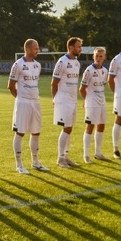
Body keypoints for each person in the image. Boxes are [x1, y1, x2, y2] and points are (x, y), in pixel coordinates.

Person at [8, 39, 45, 173]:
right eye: (36, 48)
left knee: (36, 132)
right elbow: (11, 86)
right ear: (28, 49)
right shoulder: (18, 65)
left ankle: (35, 162)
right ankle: (19, 165)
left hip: (36, 102)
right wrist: (20, 98)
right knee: (20, 132)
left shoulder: (37, 65)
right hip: (23, 102)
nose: (37, 50)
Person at [52, 37, 83, 167]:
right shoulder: (62, 62)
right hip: (63, 100)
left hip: (73, 100)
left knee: (69, 129)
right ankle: (60, 159)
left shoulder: (76, 62)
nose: (80, 49)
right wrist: (55, 99)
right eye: (78, 47)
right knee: (66, 128)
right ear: (70, 47)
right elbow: (54, 83)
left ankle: (66, 156)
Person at [80, 47, 109, 163]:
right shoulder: (89, 70)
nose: (98, 58)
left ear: (104, 57)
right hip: (92, 102)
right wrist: (87, 100)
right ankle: (86, 155)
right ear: (93, 57)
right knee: (90, 127)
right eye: (96, 56)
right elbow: (82, 89)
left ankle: (98, 152)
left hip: (102, 102)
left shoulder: (105, 71)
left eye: (101, 56)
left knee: (101, 125)